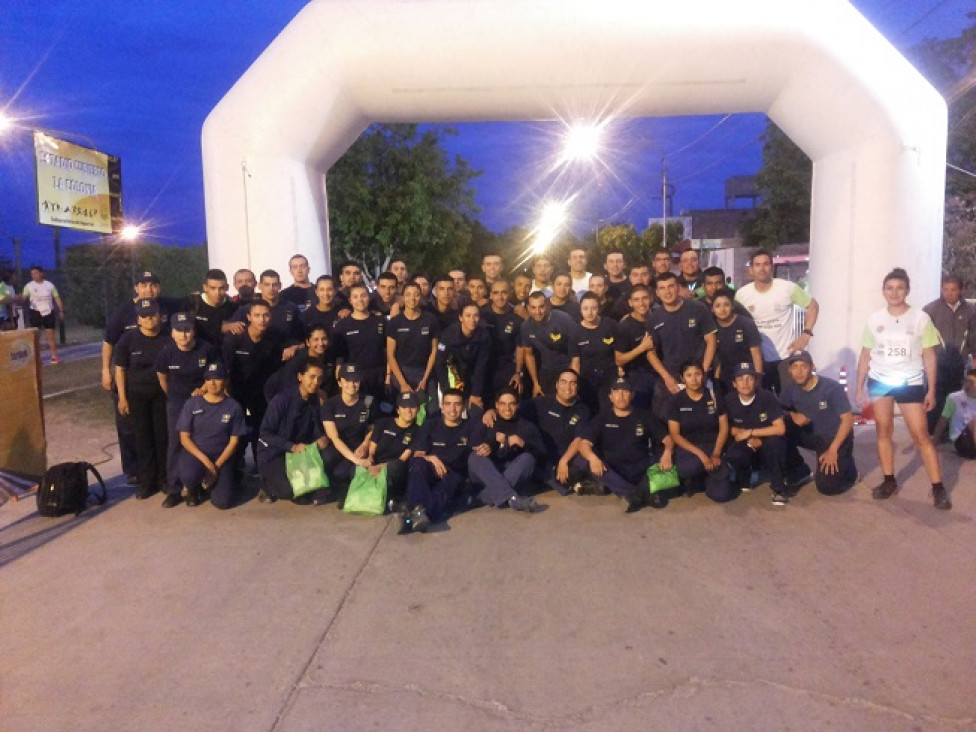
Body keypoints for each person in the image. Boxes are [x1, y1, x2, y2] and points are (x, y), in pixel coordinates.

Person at [856, 268, 949, 510]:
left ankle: (938, 487)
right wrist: (859, 387)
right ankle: (889, 481)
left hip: (910, 382)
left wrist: (931, 390)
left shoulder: (920, 319)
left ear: (907, 290)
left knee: (921, 435)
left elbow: (929, 355)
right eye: (889, 288)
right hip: (880, 381)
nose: (894, 292)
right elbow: (865, 355)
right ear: (883, 291)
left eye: (899, 287)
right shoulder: (875, 319)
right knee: (883, 431)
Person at [102, 271, 182, 483]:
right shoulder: (122, 312)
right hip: (131, 380)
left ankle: (161, 472)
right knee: (130, 428)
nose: (149, 289)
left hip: (159, 384)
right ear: (136, 288)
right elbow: (109, 342)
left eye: (153, 285)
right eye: (144, 285)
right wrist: (105, 371)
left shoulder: (166, 306)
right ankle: (134, 471)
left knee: (160, 429)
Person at [400, 389, 488, 533]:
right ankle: (419, 513)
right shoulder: (430, 424)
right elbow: (418, 454)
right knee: (417, 463)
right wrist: (431, 458)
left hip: (454, 474)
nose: (452, 409)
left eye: (457, 404)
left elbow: (480, 447)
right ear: (442, 406)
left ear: (464, 406)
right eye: (448, 404)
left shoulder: (471, 427)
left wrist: (487, 445)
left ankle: (414, 513)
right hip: (430, 468)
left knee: (445, 489)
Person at [576, 377, 670, 513]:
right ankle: (639, 494)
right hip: (612, 470)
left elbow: (667, 439)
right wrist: (592, 458)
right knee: (586, 460)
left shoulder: (645, 415)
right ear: (610, 397)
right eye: (616, 392)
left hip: (640, 469)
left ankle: (623, 492)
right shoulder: (602, 417)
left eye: (625, 391)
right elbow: (583, 444)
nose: (620, 396)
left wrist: (667, 452)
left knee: (668, 462)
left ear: (632, 395)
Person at [155, 312, 219, 506]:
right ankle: (174, 489)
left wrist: (204, 389)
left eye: (187, 330)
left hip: (202, 402)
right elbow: (162, 376)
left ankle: (194, 488)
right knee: (175, 444)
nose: (183, 335)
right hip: (176, 402)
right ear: (172, 333)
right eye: (178, 331)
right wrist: (173, 396)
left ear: (193, 331)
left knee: (199, 443)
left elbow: (216, 377)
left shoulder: (206, 350)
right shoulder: (167, 351)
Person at [735, 250, 819, 394]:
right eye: (757, 265)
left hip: (785, 358)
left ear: (772, 267)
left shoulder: (786, 288)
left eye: (766, 264)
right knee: (762, 404)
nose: (762, 268)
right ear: (751, 270)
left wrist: (806, 334)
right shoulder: (742, 295)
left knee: (789, 403)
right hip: (758, 360)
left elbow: (813, 306)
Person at [780, 350, 858, 504]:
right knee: (778, 429)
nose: (799, 372)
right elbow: (777, 409)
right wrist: (792, 415)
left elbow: (848, 420)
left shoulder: (831, 388)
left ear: (812, 367)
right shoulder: (790, 389)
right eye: (795, 367)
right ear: (789, 370)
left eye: (804, 366)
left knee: (827, 488)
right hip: (810, 435)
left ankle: (850, 471)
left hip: (834, 437)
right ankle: (798, 470)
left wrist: (833, 449)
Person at [115, 299, 170, 500]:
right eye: (145, 316)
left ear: (160, 316)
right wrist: (122, 397)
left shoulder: (168, 337)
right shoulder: (128, 340)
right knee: (143, 438)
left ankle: (163, 479)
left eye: (153, 315)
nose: (149, 319)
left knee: (162, 437)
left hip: (162, 396)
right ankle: (147, 483)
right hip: (137, 396)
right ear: (138, 319)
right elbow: (120, 370)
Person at [221, 299, 283, 473]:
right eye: (257, 315)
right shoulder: (235, 337)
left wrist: (294, 347)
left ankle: (263, 470)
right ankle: (235, 470)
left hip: (262, 394)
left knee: (262, 432)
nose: (262, 319)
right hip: (237, 392)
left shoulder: (275, 337)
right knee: (236, 433)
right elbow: (224, 367)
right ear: (249, 317)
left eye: (265, 315)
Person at [647, 272, 717, 425]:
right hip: (671, 379)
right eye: (662, 288)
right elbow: (651, 353)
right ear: (657, 293)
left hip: (698, 375)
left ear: (678, 288)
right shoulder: (654, 318)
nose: (667, 291)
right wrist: (666, 378)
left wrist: (703, 372)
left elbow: (711, 341)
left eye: (671, 286)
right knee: (666, 422)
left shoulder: (698, 309)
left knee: (705, 422)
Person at [175, 362, 248, 509]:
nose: (213, 383)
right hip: (197, 455)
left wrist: (216, 466)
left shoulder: (233, 406)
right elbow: (184, 438)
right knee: (189, 475)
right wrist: (207, 463)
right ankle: (194, 488)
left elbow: (234, 442)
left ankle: (220, 482)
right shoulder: (192, 403)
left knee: (223, 502)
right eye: (208, 379)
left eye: (218, 378)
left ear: (225, 381)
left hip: (221, 457)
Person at [256, 360, 329, 503]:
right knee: (290, 492)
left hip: (300, 452)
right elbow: (265, 433)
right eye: (312, 377)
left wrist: (322, 437)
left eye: (319, 378)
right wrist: (292, 447)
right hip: (275, 453)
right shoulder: (281, 401)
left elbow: (316, 430)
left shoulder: (316, 400)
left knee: (328, 458)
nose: (316, 382)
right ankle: (267, 486)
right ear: (300, 376)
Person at [666, 359, 733, 504]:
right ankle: (696, 477)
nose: (694, 379)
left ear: (703, 375)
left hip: (713, 446)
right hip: (689, 449)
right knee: (688, 468)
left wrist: (716, 453)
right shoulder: (676, 401)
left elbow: (724, 428)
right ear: (682, 378)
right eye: (689, 375)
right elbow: (675, 435)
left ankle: (709, 477)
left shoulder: (715, 397)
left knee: (722, 495)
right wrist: (701, 455)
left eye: (697, 374)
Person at [467, 388, 544, 512]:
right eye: (503, 404)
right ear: (497, 405)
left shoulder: (526, 426)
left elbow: (542, 453)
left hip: (511, 471)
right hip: (487, 472)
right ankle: (512, 498)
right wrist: (488, 445)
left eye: (511, 404)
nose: (507, 409)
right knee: (475, 456)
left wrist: (522, 443)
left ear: (517, 405)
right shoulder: (488, 420)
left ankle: (482, 497)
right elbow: (471, 445)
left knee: (528, 458)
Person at [723, 362, 788, 499]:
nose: (745, 383)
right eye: (740, 379)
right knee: (734, 453)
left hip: (766, 441)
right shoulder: (729, 400)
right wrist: (745, 436)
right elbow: (725, 428)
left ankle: (778, 489)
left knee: (776, 444)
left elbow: (780, 428)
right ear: (734, 383)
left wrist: (752, 433)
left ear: (756, 381)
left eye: (749, 378)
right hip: (744, 441)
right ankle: (744, 478)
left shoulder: (767, 397)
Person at [520, 368, 590, 494]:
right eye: (564, 382)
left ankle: (561, 482)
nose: (568, 387)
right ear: (557, 385)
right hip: (542, 458)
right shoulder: (540, 403)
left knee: (585, 461)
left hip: (567, 459)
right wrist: (491, 412)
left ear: (577, 387)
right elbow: (512, 411)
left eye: (572, 383)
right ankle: (566, 483)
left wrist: (564, 461)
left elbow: (578, 439)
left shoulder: (583, 410)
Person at [923, 274, 976, 433]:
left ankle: (952, 431)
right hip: (937, 363)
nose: (949, 293)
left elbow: (974, 337)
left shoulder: (970, 311)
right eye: (945, 289)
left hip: (960, 363)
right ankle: (933, 431)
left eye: (953, 290)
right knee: (936, 397)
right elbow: (922, 337)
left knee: (956, 397)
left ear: (961, 290)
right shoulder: (930, 310)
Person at [320, 363, 376, 496]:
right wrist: (355, 460)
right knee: (326, 459)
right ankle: (321, 489)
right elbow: (334, 437)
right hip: (338, 448)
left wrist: (365, 444)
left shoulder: (368, 402)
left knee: (342, 473)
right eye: (347, 380)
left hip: (358, 448)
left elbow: (372, 428)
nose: (352, 384)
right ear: (339, 383)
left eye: (355, 380)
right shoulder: (330, 404)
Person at [387, 281, 440, 408]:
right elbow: (390, 354)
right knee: (402, 412)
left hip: (425, 373)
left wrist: (425, 379)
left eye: (416, 294)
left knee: (431, 413)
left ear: (421, 297)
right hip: (402, 372)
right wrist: (402, 383)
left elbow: (434, 350)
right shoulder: (395, 322)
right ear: (403, 298)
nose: (412, 298)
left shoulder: (431, 320)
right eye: (408, 295)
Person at [332, 283, 387, 402]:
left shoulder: (380, 321)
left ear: (369, 297)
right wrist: (340, 380)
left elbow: (387, 350)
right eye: (355, 297)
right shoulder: (343, 325)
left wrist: (388, 377)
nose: (360, 300)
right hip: (354, 379)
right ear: (350, 300)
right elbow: (339, 357)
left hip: (378, 377)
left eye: (363, 296)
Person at [520, 292, 581, 397]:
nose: (538, 312)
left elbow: (576, 357)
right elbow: (529, 355)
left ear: (548, 305)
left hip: (567, 368)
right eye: (533, 308)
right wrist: (535, 382)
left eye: (541, 307)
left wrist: (574, 382)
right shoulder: (526, 326)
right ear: (528, 308)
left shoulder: (564, 320)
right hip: (546, 371)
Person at [367, 391, 421, 508]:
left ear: (418, 409)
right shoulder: (383, 423)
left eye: (412, 406)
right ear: (398, 410)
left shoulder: (418, 431)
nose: (408, 410)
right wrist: (370, 463)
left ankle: (387, 497)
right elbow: (372, 450)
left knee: (396, 467)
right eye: (404, 407)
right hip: (375, 463)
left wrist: (379, 468)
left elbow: (403, 458)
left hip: (395, 469)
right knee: (354, 469)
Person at [435, 302, 491, 410]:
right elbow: (440, 364)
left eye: (475, 316)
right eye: (468, 316)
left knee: (475, 411)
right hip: (451, 376)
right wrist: (447, 391)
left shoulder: (484, 336)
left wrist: (476, 393)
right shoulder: (449, 334)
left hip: (472, 379)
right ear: (460, 317)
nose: (472, 320)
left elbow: (481, 367)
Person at [711, 288, 763, 400]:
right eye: (718, 306)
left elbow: (757, 355)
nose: (722, 309)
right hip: (724, 377)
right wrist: (716, 381)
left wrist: (758, 379)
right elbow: (715, 358)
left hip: (746, 376)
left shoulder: (746, 324)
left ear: (733, 306)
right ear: (713, 309)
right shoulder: (711, 327)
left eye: (726, 305)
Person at [231, 270, 303, 351]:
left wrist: (295, 348)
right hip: (257, 354)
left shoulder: (291, 308)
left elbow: (302, 337)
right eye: (267, 285)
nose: (271, 288)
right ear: (259, 286)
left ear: (280, 286)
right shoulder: (247, 309)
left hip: (286, 355)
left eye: (274, 285)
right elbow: (231, 329)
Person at [264, 323, 333, 402]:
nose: (321, 343)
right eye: (316, 339)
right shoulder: (297, 359)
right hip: (278, 393)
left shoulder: (329, 358)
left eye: (324, 339)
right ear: (308, 342)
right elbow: (287, 384)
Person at [613, 285, 656, 409]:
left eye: (645, 298)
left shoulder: (658, 319)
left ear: (651, 299)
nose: (641, 303)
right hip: (636, 377)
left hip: (659, 375)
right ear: (630, 303)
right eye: (636, 300)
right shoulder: (625, 326)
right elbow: (618, 359)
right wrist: (641, 348)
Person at [481, 279, 524, 401]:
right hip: (484, 369)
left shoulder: (516, 318)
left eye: (504, 293)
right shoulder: (481, 315)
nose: (500, 297)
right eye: (496, 293)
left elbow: (520, 348)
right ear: (490, 295)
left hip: (508, 370)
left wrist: (518, 373)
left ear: (510, 294)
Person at [576, 292, 619, 413]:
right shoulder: (576, 331)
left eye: (593, 308)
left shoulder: (611, 325)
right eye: (585, 308)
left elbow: (619, 351)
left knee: (608, 411)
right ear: (580, 310)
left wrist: (620, 369)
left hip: (609, 376)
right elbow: (575, 361)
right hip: (586, 379)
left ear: (599, 309)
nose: (590, 312)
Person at [22, 265, 64, 364]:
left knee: (50, 336)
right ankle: (37, 359)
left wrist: (61, 310)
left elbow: (56, 297)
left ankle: (54, 356)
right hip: (35, 313)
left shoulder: (49, 285)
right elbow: (24, 297)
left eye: (36, 273)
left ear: (41, 273)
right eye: (32, 274)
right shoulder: (29, 286)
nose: (34, 275)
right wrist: (19, 300)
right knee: (36, 337)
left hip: (49, 312)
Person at [932, 368, 976, 459]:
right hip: (963, 441)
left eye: (971, 382)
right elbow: (943, 421)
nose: (967, 385)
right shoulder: (954, 398)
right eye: (966, 381)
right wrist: (934, 442)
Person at [188, 269, 238, 347]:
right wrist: (220, 327)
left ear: (227, 287)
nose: (217, 293)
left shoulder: (233, 308)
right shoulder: (192, 303)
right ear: (205, 287)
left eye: (221, 288)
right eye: (213, 288)